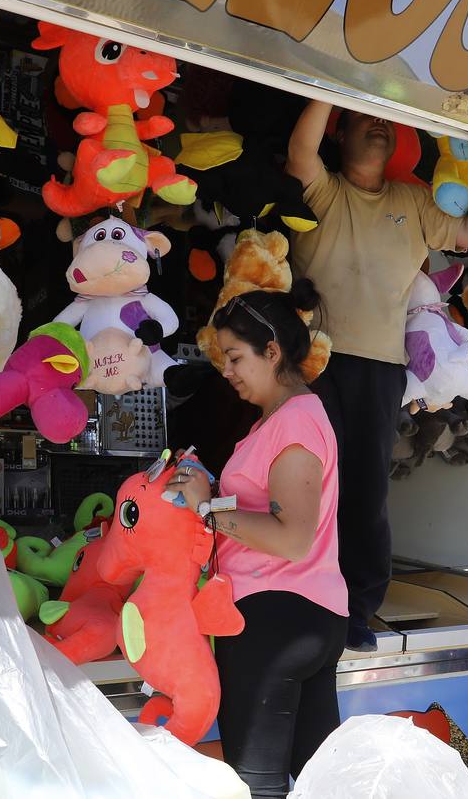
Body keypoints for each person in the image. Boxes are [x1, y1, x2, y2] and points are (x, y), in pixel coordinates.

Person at [285, 99, 468, 650]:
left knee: (364, 494)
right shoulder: (327, 189)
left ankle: (355, 611)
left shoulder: (412, 200)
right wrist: (328, 91)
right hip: (316, 364)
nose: (378, 124)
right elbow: (300, 153)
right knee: (305, 489)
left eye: (384, 117)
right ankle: (300, 600)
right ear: (341, 133)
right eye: (363, 118)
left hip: (382, 370)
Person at [165, 283, 344, 799]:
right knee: (320, 783)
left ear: (272, 351)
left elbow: (292, 537)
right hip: (301, 614)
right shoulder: (279, 421)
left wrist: (206, 505)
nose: (227, 371)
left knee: (256, 786)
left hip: (273, 619)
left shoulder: (295, 422)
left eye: (236, 357)